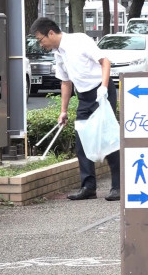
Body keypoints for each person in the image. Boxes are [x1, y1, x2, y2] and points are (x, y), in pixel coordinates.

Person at [30, 17, 120, 201]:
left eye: (41, 39)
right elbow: (65, 82)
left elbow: (105, 62)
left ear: (51, 33)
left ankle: (118, 186)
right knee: (81, 141)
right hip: (85, 97)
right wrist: (63, 111)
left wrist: (103, 88)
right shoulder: (58, 53)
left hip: (101, 90)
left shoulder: (79, 41)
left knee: (107, 137)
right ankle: (88, 187)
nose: (41, 44)